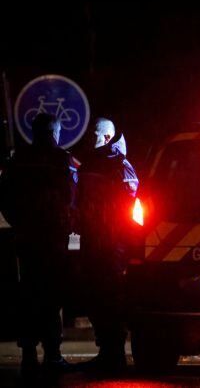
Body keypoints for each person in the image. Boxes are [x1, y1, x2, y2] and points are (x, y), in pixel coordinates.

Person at [0, 114, 76, 377]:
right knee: (52, 296)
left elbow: (5, 198)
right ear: (54, 131)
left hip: (28, 239)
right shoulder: (60, 160)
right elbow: (72, 197)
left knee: (29, 296)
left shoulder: (18, 160)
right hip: (53, 240)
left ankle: (29, 354)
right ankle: (52, 354)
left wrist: (21, 223)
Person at [76, 118, 139, 374]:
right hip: (93, 241)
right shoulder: (91, 163)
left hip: (112, 244)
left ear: (107, 137)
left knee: (111, 298)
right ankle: (106, 352)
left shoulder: (119, 165)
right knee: (95, 297)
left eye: (94, 133)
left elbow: (130, 201)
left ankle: (114, 355)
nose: (89, 136)